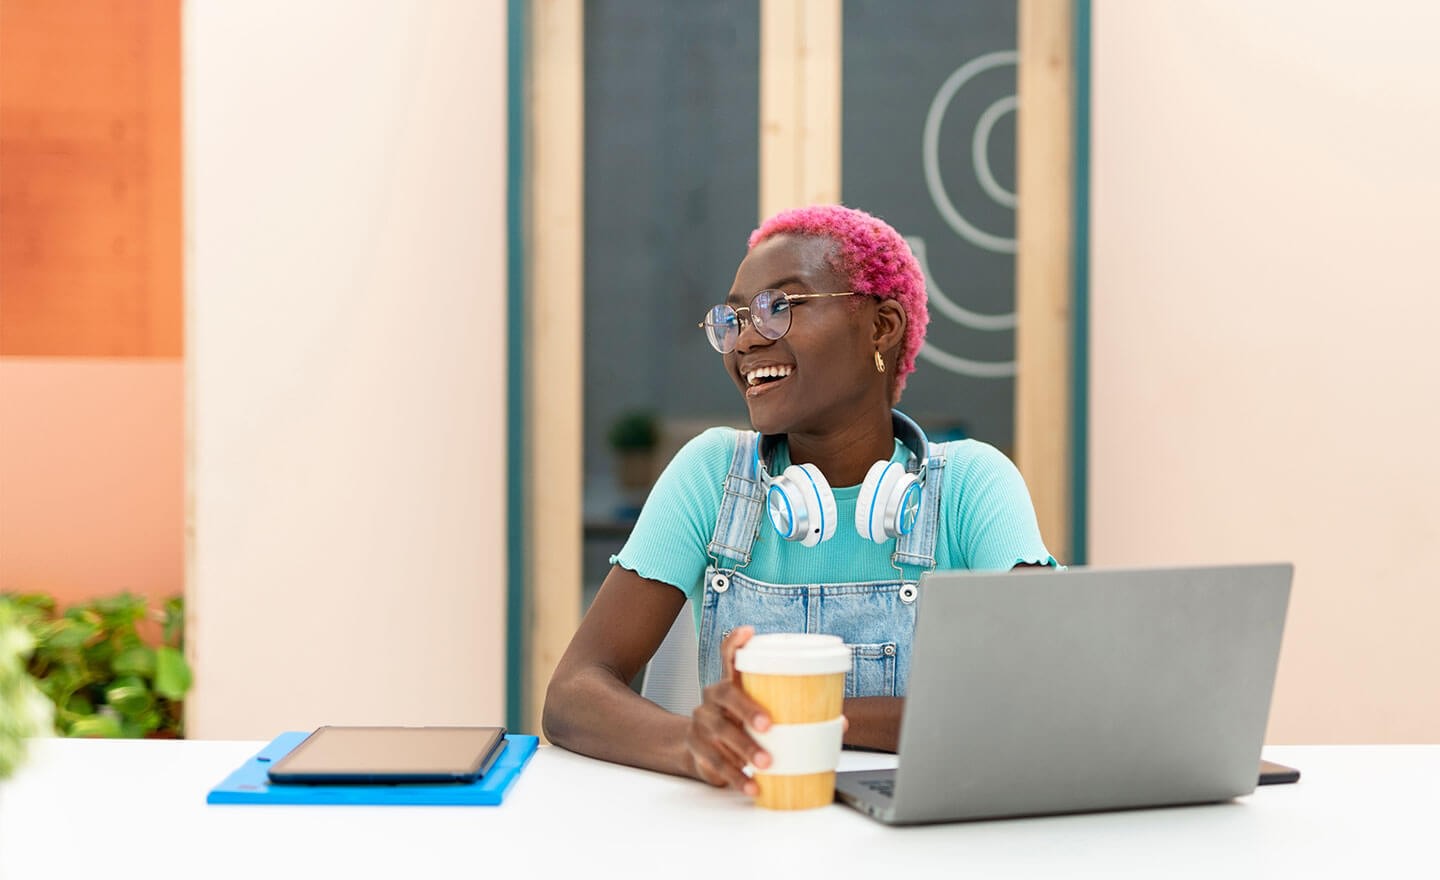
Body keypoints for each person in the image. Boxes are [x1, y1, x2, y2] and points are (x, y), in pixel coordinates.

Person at [544, 205, 1057, 796]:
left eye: (779, 308)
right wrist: (691, 742)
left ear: (882, 326)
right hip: (755, 831)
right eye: (734, 319)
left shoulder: (972, 485)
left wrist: (796, 711)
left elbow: (1042, 692)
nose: (746, 340)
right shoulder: (712, 475)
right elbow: (573, 693)